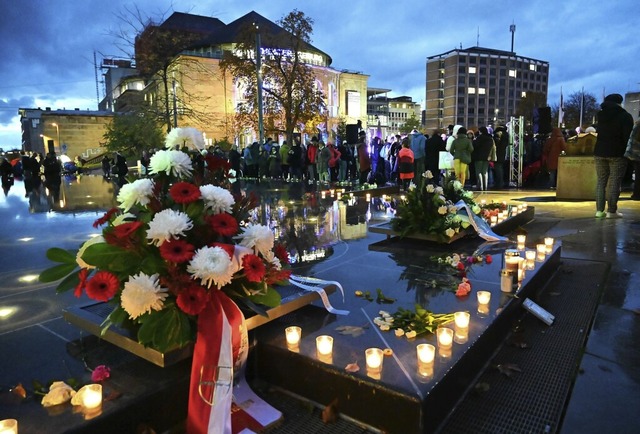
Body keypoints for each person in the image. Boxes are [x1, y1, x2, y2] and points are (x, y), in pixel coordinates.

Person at [593, 94, 634, 218]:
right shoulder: (625, 116)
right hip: (617, 153)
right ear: (619, 103)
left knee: (601, 182)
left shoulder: (600, 115)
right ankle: (611, 211)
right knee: (615, 182)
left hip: (600, 152)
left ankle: (599, 211)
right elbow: (628, 137)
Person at [473, 127, 495, 191]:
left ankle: (480, 186)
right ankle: (485, 186)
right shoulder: (490, 139)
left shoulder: (479, 138)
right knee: (485, 172)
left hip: (478, 157)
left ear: (480, 131)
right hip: (487, 157)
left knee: (478, 172)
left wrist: (474, 141)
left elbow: (475, 146)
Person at [624, 117, 640, 200]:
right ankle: (637, 194)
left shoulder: (637, 124)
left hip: (634, 153)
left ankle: (637, 194)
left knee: (638, 175)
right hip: (637, 153)